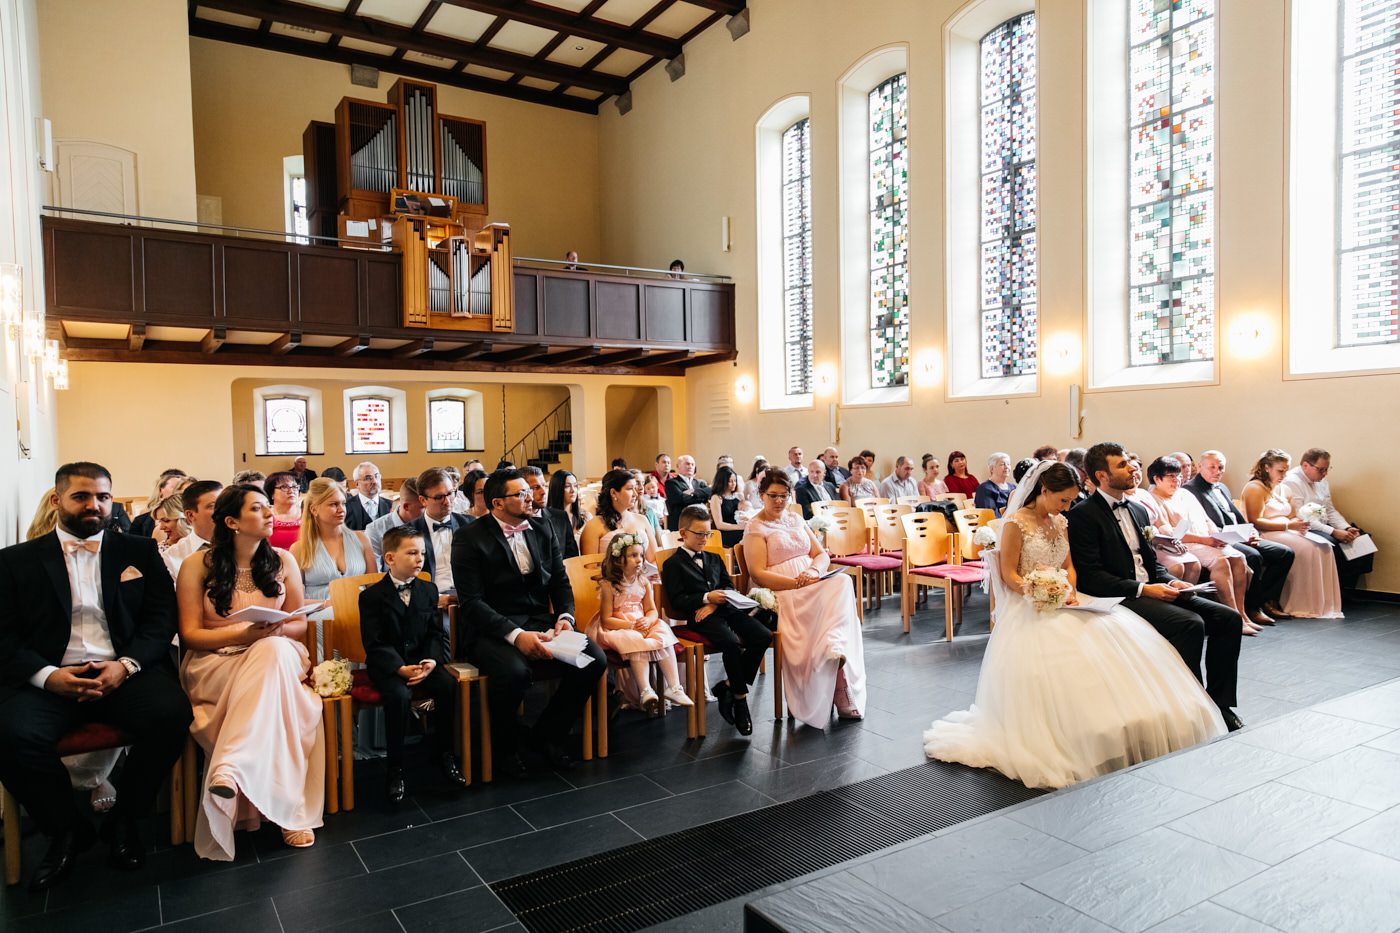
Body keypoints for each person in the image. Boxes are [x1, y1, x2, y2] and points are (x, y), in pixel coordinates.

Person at [923, 462, 1225, 789]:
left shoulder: (1061, 520)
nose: (1067, 507)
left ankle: (1115, 731)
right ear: (1044, 491)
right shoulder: (1015, 524)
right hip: (1032, 604)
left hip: (1066, 597)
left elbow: (1068, 565)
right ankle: (1066, 736)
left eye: (1070, 500)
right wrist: (1037, 588)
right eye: (1063, 500)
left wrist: (1066, 587)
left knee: (1114, 637)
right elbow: (1009, 574)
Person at [0, 462, 193, 891]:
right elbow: (5, 637)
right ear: (57, 501)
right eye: (82, 496)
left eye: (103, 497)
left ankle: (126, 820)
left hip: (123, 670)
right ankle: (66, 830)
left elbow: (160, 620)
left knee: (170, 714)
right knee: (10, 733)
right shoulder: (15, 562)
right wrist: (48, 676)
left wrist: (125, 666)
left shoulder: (139, 552)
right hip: (51, 678)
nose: (94, 505)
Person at [176, 484, 323, 860]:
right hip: (217, 662)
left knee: (272, 651)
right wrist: (243, 633)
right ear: (232, 522)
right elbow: (190, 635)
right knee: (276, 689)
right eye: (257, 509)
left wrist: (272, 631)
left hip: (277, 655)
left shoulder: (283, 561)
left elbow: (299, 626)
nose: (270, 514)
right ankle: (289, 812)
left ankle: (229, 768)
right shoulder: (196, 566)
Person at [1065, 442, 1244, 731]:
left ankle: (1220, 704)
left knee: (1228, 618)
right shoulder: (1083, 515)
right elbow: (1090, 576)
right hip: (1121, 595)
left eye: (1129, 462)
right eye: (1122, 465)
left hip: (1154, 588)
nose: (1132, 468)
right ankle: (1190, 704)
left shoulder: (1136, 510)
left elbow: (1152, 563)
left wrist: (1171, 580)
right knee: (1190, 624)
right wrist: (1144, 590)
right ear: (1101, 475)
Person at [452, 469, 607, 776]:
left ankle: (545, 737)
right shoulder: (469, 538)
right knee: (514, 672)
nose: (531, 497)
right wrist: (516, 635)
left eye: (530, 491)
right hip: (492, 629)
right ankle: (504, 749)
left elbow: (560, 581)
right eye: (520, 493)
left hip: (541, 620)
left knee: (593, 659)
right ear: (497, 503)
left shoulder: (542, 526)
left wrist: (564, 617)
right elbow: (471, 603)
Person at [743, 471, 866, 727]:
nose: (779, 501)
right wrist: (796, 584)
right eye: (773, 496)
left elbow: (820, 554)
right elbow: (757, 573)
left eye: (784, 496)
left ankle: (834, 648)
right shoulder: (755, 526)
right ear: (762, 496)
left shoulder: (796, 518)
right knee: (836, 590)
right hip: (781, 592)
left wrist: (812, 572)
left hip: (810, 582)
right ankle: (839, 687)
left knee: (843, 581)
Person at [359, 526, 466, 804]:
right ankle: (395, 766)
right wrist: (398, 668)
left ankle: (444, 751)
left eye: (422, 553)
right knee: (399, 695)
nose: (419, 559)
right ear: (390, 558)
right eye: (412, 553)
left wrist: (431, 660)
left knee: (445, 684)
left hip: (423, 660)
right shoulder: (371, 596)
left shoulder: (428, 590)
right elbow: (375, 642)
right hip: (389, 664)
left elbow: (434, 632)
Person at [661, 506, 774, 735]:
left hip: (724, 609)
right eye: (699, 534)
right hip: (698, 617)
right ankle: (741, 701)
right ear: (683, 533)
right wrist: (704, 599)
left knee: (763, 635)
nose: (704, 539)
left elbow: (727, 587)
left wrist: (714, 602)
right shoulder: (673, 564)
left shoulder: (714, 558)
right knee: (731, 643)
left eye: (708, 533)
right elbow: (677, 600)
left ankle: (728, 687)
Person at [1143, 457, 1255, 635]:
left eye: (1178, 476)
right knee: (1221, 561)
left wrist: (1216, 534)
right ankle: (1232, 615)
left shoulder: (1185, 493)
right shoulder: (1153, 498)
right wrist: (1206, 540)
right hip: (1187, 542)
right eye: (1171, 476)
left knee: (1239, 557)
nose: (1176, 480)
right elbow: (1171, 532)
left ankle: (1242, 614)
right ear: (1157, 479)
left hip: (1206, 539)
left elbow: (1205, 518)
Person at [1186, 450, 1294, 625]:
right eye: (1212, 467)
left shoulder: (1221, 487)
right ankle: (1252, 607)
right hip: (1220, 538)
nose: (1217, 471)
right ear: (1200, 467)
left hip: (1239, 534)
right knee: (1253, 556)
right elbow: (1207, 524)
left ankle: (1267, 600)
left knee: (1285, 553)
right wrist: (1239, 537)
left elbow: (1235, 514)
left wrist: (1249, 531)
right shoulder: (1191, 490)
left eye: (1221, 467)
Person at [588, 532, 691, 716]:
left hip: (640, 622)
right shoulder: (609, 585)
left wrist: (649, 620)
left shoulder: (643, 581)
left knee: (662, 631)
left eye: (641, 555)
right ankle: (645, 690)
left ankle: (674, 687)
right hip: (617, 626)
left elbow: (651, 610)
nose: (639, 560)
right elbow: (606, 619)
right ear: (619, 560)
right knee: (634, 639)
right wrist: (630, 626)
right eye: (633, 555)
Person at [1241, 449, 1343, 619]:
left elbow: (1291, 515)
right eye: (1280, 470)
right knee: (1307, 548)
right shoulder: (1255, 488)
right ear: (1267, 468)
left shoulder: (1283, 488)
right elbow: (1255, 520)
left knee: (1323, 545)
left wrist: (1299, 524)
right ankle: (1278, 600)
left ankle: (1318, 603)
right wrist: (1288, 525)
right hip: (1264, 532)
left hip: (1284, 529)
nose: (1284, 474)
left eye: (1286, 470)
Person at [1280, 447, 1374, 595]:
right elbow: (1299, 516)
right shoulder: (1292, 481)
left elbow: (1329, 509)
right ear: (1305, 465)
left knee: (1361, 537)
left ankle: (1345, 589)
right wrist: (1334, 532)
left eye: (1327, 469)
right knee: (1334, 544)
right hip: (1303, 526)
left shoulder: (1322, 481)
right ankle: (1332, 592)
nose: (1325, 474)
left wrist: (1346, 528)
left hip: (1322, 522)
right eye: (1321, 470)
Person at [293, 478, 375, 635]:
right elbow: (293, 601)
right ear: (314, 509)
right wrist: (328, 603)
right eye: (333, 504)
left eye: (343, 503)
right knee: (339, 616)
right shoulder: (300, 549)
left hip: (359, 608)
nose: (341, 509)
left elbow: (374, 586)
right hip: (320, 613)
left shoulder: (361, 539)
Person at [406, 467, 470, 606]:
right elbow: (403, 580)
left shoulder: (470, 525)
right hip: (430, 603)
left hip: (469, 599)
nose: (447, 501)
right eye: (439, 497)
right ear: (423, 500)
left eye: (450, 494)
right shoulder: (408, 533)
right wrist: (433, 599)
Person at [581, 469, 660, 570]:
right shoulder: (594, 525)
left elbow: (653, 559)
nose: (635, 494)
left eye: (635, 488)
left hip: (643, 580)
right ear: (613, 493)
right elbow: (590, 568)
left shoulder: (642, 520)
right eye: (630, 489)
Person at [162, 479, 224, 580]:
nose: (223, 510)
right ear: (190, 515)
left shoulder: (243, 545)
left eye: (224, 504)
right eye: (213, 506)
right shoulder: (172, 557)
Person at [366, 477, 422, 570]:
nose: (428, 511)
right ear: (406, 506)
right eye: (423, 507)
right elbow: (375, 573)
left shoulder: (429, 522)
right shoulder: (375, 529)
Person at [130, 468, 187, 539]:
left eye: (182, 489)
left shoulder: (192, 518)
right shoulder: (140, 521)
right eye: (175, 487)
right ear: (160, 490)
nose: (180, 492)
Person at [664, 455, 711, 532]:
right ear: (678, 466)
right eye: (687, 464)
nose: (690, 467)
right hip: (681, 522)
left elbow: (710, 492)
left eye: (692, 464)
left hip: (701, 520)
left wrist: (693, 492)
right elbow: (680, 499)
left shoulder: (699, 483)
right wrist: (701, 496)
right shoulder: (671, 483)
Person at [548, 469, 591, 550]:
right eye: (567, 486)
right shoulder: (548, 519)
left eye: (575, 486)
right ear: (557, 489)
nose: (573, 490)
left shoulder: (586, 517)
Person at [708, 464, 749, 548]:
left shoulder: (738, 496)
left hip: (739, 528)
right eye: (730, 481)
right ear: (723, 482)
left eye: (735, 481)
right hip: (726, 533)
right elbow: (719, 524)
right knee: (749, 537)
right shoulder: (716, 498)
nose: (734, 484)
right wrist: (739, 527)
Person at [345, 461, 393, 531]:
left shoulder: (391, 506)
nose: (375, 481)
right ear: (357, 484)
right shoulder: (345, 507)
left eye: (377, 476)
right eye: (368, 478)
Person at [263, 471, 303, 550]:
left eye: (294, 487)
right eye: (284, 487)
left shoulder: (309, 514)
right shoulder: (265, 516)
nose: (291, 491)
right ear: (271, 494)